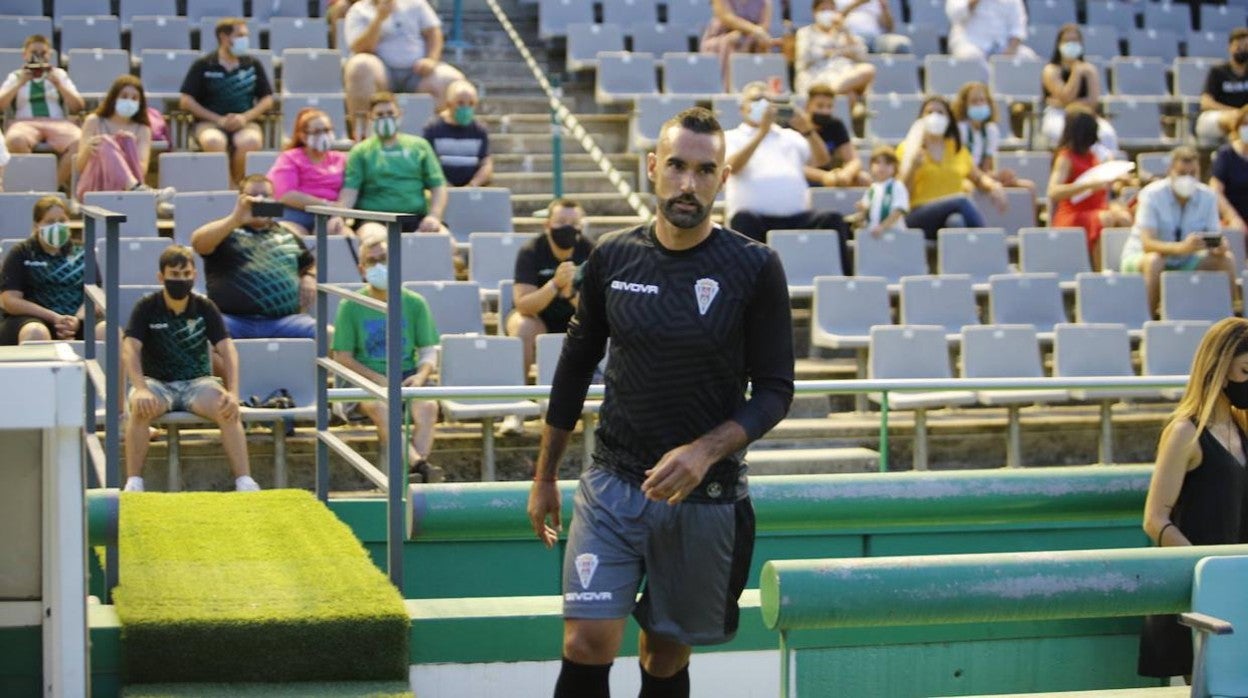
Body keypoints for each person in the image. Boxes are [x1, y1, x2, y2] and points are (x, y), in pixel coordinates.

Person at [526, 106, 794, 698]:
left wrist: (704, 451)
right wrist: (545, 475)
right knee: (586, 641)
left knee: (663, 658)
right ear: (653, 167)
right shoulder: (614, 259)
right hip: (613, 485)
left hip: (706, 498)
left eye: (704, 170)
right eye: (676, 166)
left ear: (723, 178)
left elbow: (776, 390)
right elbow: (574, 367)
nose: (688, 184)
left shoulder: (754, 266)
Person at [1138, 317, 1248, 681]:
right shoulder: (1186, 431)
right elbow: (1155, 518)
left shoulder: (1240, 428)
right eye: (1246, 370)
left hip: (1237, 586)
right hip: (1198, 591)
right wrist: (1207, 569)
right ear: (1219, 366)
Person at [122, 245, 260, 493]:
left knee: (227, 408)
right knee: (140, 407)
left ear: (194, 275)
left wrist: (234, 392)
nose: (181, 280)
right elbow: (129, 348)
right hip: (157, 383)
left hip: (197, 383)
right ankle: (134, 482)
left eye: (186, 274)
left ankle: (244, 481)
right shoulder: (146, 306)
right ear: (161, 277)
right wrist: (140, 388)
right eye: (174, 275)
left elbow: (228, 349)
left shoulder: (205, 307)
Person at [331, 234, 445, 483]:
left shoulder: (415, 303)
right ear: (362, 269)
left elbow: (428, 350)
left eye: (383, 258)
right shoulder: (350, 305)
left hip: (407, 376)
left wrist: (421, 376)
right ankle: (421, 468)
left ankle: (415, 472)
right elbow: (342, 357)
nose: (379, 265)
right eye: (372, 261)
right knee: (382, 408)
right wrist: (376, 378)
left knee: (427, 407)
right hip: (364, 380)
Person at [724, 82, 849, 272]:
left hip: (797, 217)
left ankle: (843, 281)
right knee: (743, 220)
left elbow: (822, 159)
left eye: (767, 100)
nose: (762, 104)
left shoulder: (789, 136)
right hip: (756, 220)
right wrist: (761, 133)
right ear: (742, 108)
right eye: (756, 100)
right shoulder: (732, 136)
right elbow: (733, 166)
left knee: (832, 220)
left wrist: (808, 130)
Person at [191, 174, 317, 339]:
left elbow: (309, 263)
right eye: (253, 195)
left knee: (327, 335)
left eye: (266, 196)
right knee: (201, 331)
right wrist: (236, 218)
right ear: (240, 199)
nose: (260, 200)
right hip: (231, 321)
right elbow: (198, 243)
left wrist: (309, 276)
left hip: (284, 322)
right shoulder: (226, 232)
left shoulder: (288, 235)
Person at [1120, 147, 1236, 315]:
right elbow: (1147, 244)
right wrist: (1181, 247)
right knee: (1154, 261)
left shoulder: (1208, 196)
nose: (1187, 179)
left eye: (1193, 173)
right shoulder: (1151, 195)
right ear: (1170, 172)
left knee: (1227, 260)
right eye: (1182, 173)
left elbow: (1214, 235)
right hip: (1141, 258)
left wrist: (1219, 247)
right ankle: (1147, 322)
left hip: (1186, 260)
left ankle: (1231, 324)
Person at [342, 0, 466, 135]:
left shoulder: (416, 4)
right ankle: (363, 136)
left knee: (454, 81)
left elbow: (434, 33)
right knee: (359, 66)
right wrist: (379, 18)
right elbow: (361, 48)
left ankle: (447, 138)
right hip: (381, 71)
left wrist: (431, 59)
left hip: (417, 70)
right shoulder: (358, 10)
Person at [338, 91, 448, 238]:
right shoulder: (360, 151)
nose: (386, 118)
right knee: (377, 241)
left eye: (390, 113)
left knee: (446, 242)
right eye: (380, 115)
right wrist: (339, 216)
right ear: (371, 117)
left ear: (400, 114)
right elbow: (350, 190)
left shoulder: (420, 146)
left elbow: (438, 186)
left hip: (416, 218)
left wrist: (434, 216)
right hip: (374, 220)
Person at [179, 18, 275, 186]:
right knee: (214, 142)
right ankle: (225, 187)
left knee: (250, 142)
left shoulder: (252, 64)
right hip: (210, 122)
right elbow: (186, 101)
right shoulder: (204, 64)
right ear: (224, 37)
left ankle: (238, 185)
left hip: (245, 122)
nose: (245, 40)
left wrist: (245, 117)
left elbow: (267, 99)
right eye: (240, 35)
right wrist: (218, 119)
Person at [507, 199, 593, 377]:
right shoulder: (531, 251)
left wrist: (570, 292)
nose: (567, 228)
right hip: (538, 318)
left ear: (581, 227)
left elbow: (594, 308)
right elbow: (523, 304)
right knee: (523, 326)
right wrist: (555, 284)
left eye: (574, 224)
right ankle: (519, 391)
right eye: (561, 222)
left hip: (575, 320)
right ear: (547, 225)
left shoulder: (591, 251)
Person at [897, 96, 1004, 239]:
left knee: (956, 221)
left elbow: (978, 177)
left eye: (940, 112)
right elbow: (900, 193)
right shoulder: (907, 150)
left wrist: (993, 186)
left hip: (948, 217)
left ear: (949, 119)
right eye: (929, 112)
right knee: (962, 201)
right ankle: (988, 243)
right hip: (918, 215)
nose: (934, 116)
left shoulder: (957, 149)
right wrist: (912, 167)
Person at [1048, 106, 1133, 270]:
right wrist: (1086, 186)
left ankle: (1119, 269)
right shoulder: (1065, 158)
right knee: (1105, 219)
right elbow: (1054, 191)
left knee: (1124, 218)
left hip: (1096, 208)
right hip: (1073, 214)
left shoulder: (1092, 155)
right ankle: (1100, 271)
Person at [0, 196, 88, 345]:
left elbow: (95, 297)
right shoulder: (22, 252)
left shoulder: (82, 252)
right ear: (37, 225)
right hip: (32, 318)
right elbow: (10, 300)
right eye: (50, 222)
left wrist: (77, 320)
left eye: (62, 220)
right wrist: (53, 317)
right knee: (35, 332)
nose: (57, 226)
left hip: (75, 319)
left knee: (106, 330)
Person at [0, 35, 84, 191]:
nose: (38, 56)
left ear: (49, 55)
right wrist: (19, 84)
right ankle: (30, 185)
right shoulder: (16, 76)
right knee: (15, 140)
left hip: (58, 123)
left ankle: (50, 189)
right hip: (24, 123)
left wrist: (58, 84)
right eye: (34, 52)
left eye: (43, 52)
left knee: (80, 142)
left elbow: (77, 106)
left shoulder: (58, 74)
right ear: (25, 55)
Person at [74, 75, 172, 201]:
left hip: (127, 193)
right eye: (124, 96)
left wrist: (127, 147)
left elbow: (141, 170)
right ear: (114, 98)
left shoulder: (143, 129)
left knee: (127, 141)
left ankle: (133, 188)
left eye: (134, 98)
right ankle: (135, 188)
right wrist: (88, 149)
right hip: (95, 187)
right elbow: (80, 166)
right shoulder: (94, 121)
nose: (129, 101)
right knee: (104, 141)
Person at [268, 107, 349, 237]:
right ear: (303, 136)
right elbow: (286, 194)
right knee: (293, 240)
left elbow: (349, 190)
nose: (323, 135)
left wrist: (338, 213)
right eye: (316, 132)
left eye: (327, 130)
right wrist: (327, 205)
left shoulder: (341, 159)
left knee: (346, 239)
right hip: (294, 214)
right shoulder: (290, 157)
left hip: (330, 218)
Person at [1040, 24, 1118, 151]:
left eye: (1075, 41)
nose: (1071, 44)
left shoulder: (1090, 70)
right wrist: (1076, 71)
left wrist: (1061, 103)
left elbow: (1093, 102)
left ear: (1081, 44)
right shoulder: (1051, 70)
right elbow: (1066, 97)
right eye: (1067, 41)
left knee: (1107, 135)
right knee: (1067, 135)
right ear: (1059, 44)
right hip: (1058, 115)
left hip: (1086, 115)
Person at [794, 4, 876, 117]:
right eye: (823, 9)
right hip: (816, 76)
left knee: (867, 70)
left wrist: (845, 30)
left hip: (843, 76)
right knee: (850, 94)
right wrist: (838, 52)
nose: (827, 13)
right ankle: (834, 101)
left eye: (831, 9)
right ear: (814, 12)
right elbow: (806, 57)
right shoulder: (805, 32)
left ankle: (826, 96)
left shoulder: (843, 32)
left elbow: (862, 55)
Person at [953, 80, 1034, 194]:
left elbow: (986, 167)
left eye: (982, 100)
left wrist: (1000, 176)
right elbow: (959, 165)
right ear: (964, 105)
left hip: (982, 176)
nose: (979, 104)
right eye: (974, 101)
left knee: (1029, 187)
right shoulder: (960, 129)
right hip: (964, 177)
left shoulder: (991, 130)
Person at [421, 79, 493, 188]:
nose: (466, 108)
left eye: (471, 104)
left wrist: (473, 184)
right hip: (440, 190)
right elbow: (428, 164)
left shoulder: (479, 130)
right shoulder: (433, 129)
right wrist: (444, 185)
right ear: (449, 104)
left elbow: (486, 163)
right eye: (460, 103)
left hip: (471, 190)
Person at [701, 0, 779, 91]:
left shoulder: (765, 2)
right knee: (731, 41)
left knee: (762, 43)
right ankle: (728, 90)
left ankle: (760, 91)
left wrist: (752, 35)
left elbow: (764, 27)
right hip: (720, 39)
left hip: (751, 39)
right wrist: (752, 29)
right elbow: (725, 17)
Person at [803, 84, 868, 188]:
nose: (825, 111)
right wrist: (824, 176)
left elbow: (854, 160)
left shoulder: (835, 125)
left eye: (829, 106)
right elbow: (791, 166)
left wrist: (846, 174)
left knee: (863, 178)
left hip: (830, 178)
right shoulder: (795, 125)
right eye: (820, 106)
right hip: (802, 177)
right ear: (807, 106)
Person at [945, 0, 1036, 69]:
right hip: (970, 43)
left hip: (1003, 47)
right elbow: (955, 15)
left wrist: (1010, 50)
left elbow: (1018, 27)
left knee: (1027, 57)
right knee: (971, 57)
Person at [1196, 28, 1248, 146]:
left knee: (1243, 122)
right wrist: (1234, 112)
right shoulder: (1218, 71)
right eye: (1238, 46)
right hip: (1215, 117)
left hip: (1244, 121)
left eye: (1246, 46)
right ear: (1230, 48)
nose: (1243, 49)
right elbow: (1205, 103)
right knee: (1236, 119)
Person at [854, 146, 909, 236]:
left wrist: (882, 227)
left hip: (894, 235)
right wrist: (862, 211)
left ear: (895, 167)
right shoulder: (871, 189)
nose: (881, 167)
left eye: (887, 163)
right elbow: (866, 214)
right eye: (877, 162)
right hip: (875, 235)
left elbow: (898, 210)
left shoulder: (897, 186)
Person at [1209, 105, 1248, 231]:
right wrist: (1233, 218)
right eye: (1245, 124)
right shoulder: (1226, 155)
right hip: (1233, 221)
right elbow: (1215, 191)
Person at [832, 0, 910, 54]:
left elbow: (889, 28)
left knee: (901, 44)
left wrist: (884, 8)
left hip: (875, 39)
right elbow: (834, 20)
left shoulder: (875, 2)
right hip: (851, 39)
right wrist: (857, 3)